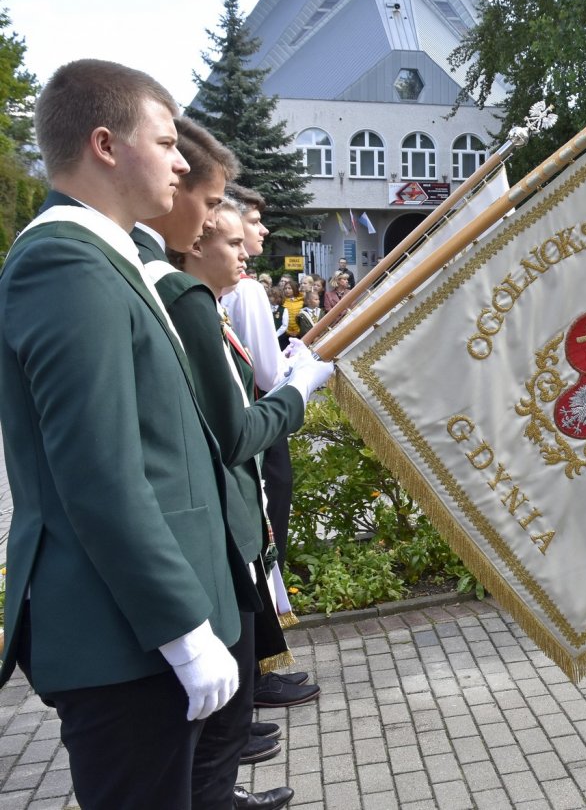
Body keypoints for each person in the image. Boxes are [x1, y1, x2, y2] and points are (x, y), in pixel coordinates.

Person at [0, 59, 242, 808]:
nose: (180, 160)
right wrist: (183, 631)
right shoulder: (63, 261)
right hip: (128, 644)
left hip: (144, 638)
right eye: (166, 141)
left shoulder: (107, 254)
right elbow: (100, 475)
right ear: (105, 145)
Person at [151, 201, 330, 810]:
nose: (249, 251)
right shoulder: (193, 307)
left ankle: (223, 794)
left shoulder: (211, 306)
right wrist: (297, 390)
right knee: (215, 717)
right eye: (233, 239)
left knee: (227, 715)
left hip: (232, 513)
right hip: (217, 521)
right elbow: (236, 428)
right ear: (197, 244)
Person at [221, 184, 323, 713]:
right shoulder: (245, 292)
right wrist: (300, 374)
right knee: (263, 542)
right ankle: (255, 674)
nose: (260, 233)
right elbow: (265, 372)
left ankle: (252, 676)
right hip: (258, 430)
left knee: (259, 545)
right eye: (254, 221)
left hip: (251, 424)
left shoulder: (232, 290)